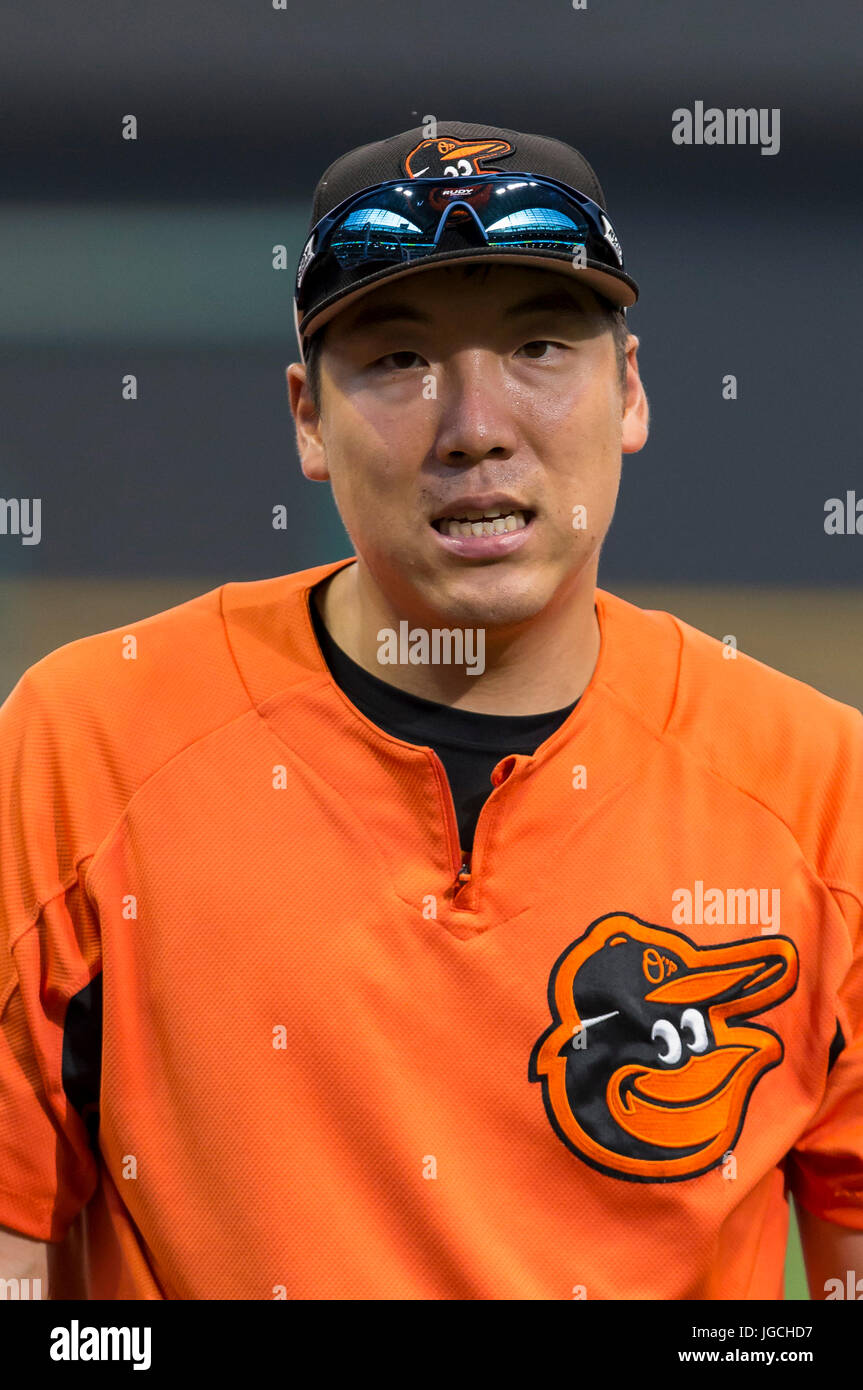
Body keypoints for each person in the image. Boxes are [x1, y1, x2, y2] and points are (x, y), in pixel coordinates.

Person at [1, 121, 861, 1301]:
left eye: (539, 345)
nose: (473, 425)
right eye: (397, 360)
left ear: (629, 392)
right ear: (307, 417)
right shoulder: (85, 745)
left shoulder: (818, 787)